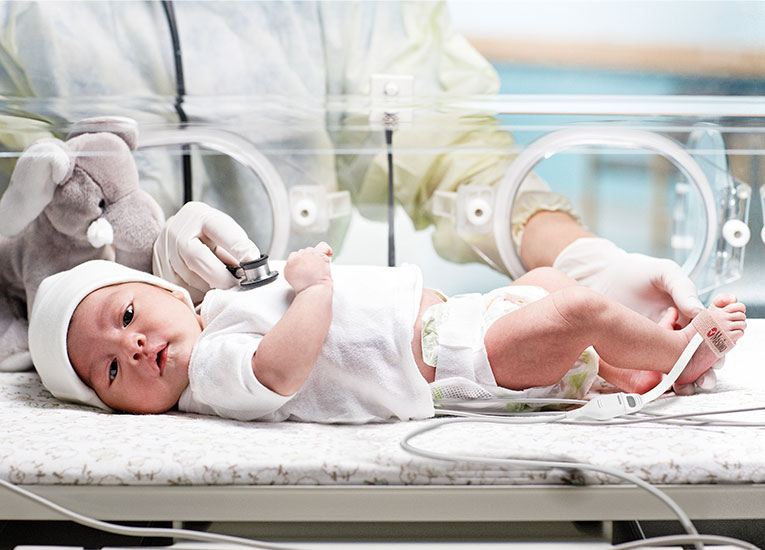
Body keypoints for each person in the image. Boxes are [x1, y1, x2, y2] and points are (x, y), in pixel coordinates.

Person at [2, 1, 711, 393]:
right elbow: (19, 195)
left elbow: (449, 150)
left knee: (569, 303)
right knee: (571, 322)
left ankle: (641, 354)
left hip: (430, 324)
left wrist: (584, 257)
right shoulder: (25, 19)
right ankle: (676, 356)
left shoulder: (346, 12)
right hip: (87, 367)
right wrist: (135, 257)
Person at [27, 242, 745, 423]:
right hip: (458, 362)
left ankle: (626, 371)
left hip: (461, 319)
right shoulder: (210, 369)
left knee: (555, 282)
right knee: (574, 314)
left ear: (161, 292)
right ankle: (687, 351)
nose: (133, 348)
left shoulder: (216, 311)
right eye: (110, 373)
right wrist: (312, 285)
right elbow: (282, 370)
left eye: (125, 318)